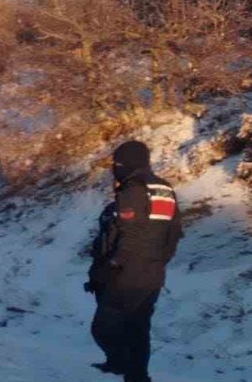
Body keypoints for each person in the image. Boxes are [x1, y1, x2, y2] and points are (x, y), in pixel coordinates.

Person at [85, 140, 183, 382]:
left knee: (103, 327)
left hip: (127, 274)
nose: (114, 169)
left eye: (117, 163)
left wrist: (113, 265)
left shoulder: (133, 190)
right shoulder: (165, 189)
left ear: (128, 163)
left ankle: (122, 364)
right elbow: (174, 232)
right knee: (138, 328)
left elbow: (130, 235)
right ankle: (137, 375)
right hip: (153, 273)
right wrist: (159, 262)